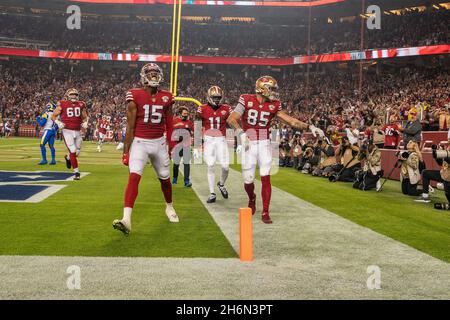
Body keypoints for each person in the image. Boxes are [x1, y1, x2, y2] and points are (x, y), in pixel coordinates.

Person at [227, 75, 323, 224]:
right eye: (270, 88)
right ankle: (252, 198)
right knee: (248, 180)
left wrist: (309, 126)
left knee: (266, 176)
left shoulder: (274, 104)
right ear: (261, 88)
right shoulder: (246, 99)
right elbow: (231, 118)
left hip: (265, 142)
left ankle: (265, 211)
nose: (273, 92)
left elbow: (290, 120)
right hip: (248, 143)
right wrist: (241, 134)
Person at [113, 63, 178, 235]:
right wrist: (126, 152)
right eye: (150, 74)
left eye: (156, 73)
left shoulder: (167, 97)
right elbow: (130, 127)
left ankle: (169, 207)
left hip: (159, 143)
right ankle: (126, 219)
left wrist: (171, 146)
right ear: (143, 77)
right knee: (134, 177)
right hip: (140, 142)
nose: (153, 76)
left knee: (165, 179)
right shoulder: (134, 95)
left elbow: (170, 126)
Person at [196, 86, 232, 203]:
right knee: (210, 165)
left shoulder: (226, 108)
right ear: (209, 97)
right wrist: (197, 145)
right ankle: (212, 193)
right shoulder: (202, 108)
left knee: (225, 167)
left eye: (218, 97)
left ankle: (221, 184)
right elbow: (197, 125)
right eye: (214, 97)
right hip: (208, 139)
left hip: (221, 139)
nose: (217, 99)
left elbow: (232, 122)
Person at [52, 88, 89, 180]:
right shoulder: (62, 103)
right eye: (72, 94)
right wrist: (58, 122)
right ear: (68, 95)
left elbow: (85, 116)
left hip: (78, 130)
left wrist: (85, 122)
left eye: (75, 94)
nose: (74, 96)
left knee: (77, 152)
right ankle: (77, 172)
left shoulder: (81, 104)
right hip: (67, 130)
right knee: (73, 150)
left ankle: (68, 158)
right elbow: (53, 116)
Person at [171, 106, 194, 188]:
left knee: (186, 164)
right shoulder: (174, 121)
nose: (186, 115)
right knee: (176, 164)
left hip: (186, 146)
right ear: (180, 113)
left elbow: (193, 132)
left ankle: (186, 181)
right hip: (177, 146)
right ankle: (174, 178)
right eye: (184, 113)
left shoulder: (189, 122)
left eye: (187, 114)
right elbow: (171, 133)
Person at [36, 101, 58, 165]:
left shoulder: (46, 114)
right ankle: (53, 160)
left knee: (42, 144)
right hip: (53, 131)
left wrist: (38, 119)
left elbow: (42, 124)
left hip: (47, 130)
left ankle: (44, 160)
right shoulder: (55, 115)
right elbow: (57, 125)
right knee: (51, 146)